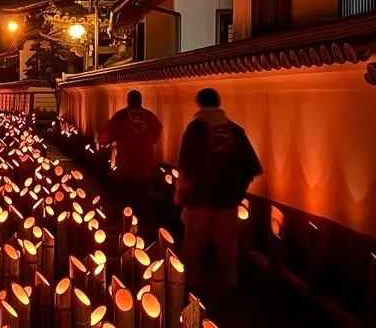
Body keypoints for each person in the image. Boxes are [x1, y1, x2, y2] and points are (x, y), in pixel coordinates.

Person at [175, 88, 262, 291]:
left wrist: (181, 193)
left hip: (199, 202)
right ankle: (228, 289)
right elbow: (251, 167)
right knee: (228, 252)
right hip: (228, 204)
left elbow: (186, 166)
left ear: (199, 105)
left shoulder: (196, 129)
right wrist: (238, 191)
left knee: (193, 249)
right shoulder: (235, 130)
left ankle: (185, 289)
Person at [98, 90, 163, 218]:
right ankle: (144, 219)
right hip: (145, 163)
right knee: (143, 194)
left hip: (125, 163)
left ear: (128, 100)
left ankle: (126, 220)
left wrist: (104, 142)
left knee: (126, 196)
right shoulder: (150, 116)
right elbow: (157, 135)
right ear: (141, 100)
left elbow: (107, 135)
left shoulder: (120, 116)